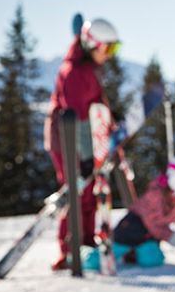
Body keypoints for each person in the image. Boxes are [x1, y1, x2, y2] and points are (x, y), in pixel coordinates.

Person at [44, 17, 121, 271]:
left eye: (114, 49)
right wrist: (86, 155)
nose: (109, 55)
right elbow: (75, 116)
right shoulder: (73, 73)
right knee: (76, 193)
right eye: (107, 49)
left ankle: (86, 244)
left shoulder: (88, 69)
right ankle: (69, 251)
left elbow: (95, 107)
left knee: (89, 193)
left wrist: (109, 125)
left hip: (88, 140)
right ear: (91, 44)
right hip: (66, 141)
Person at [105, 154, 175, 268]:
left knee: (153, 260)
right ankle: (93, 256)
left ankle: (132, 254)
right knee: (104, 257)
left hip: (149, 238)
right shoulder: (155, 194)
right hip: (129, 231)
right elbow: (154, 225)